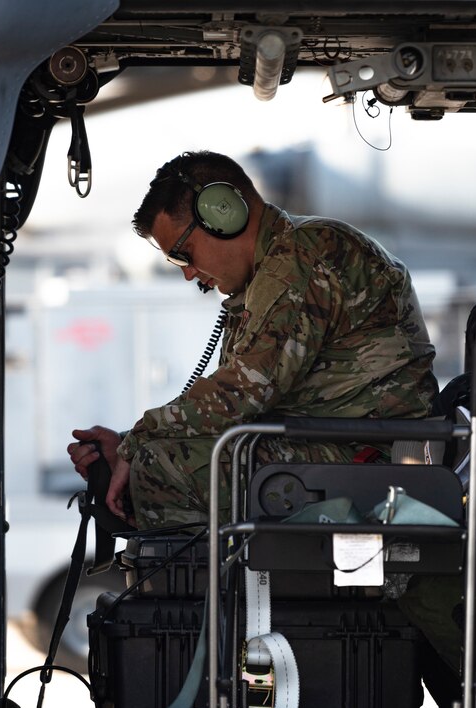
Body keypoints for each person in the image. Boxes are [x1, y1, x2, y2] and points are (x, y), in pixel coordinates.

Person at [68, 150, 438, 529]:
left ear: (222, 213)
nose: (188, 273)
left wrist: (137, 444)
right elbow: (234, 404)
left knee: (163, 464)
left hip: (374, 462)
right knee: (158, 456)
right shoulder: (268, 274)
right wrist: (129, 442)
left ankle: (209, 587)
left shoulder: (301, 258)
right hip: (343, 448)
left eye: (184, 255)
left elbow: (242, 395)